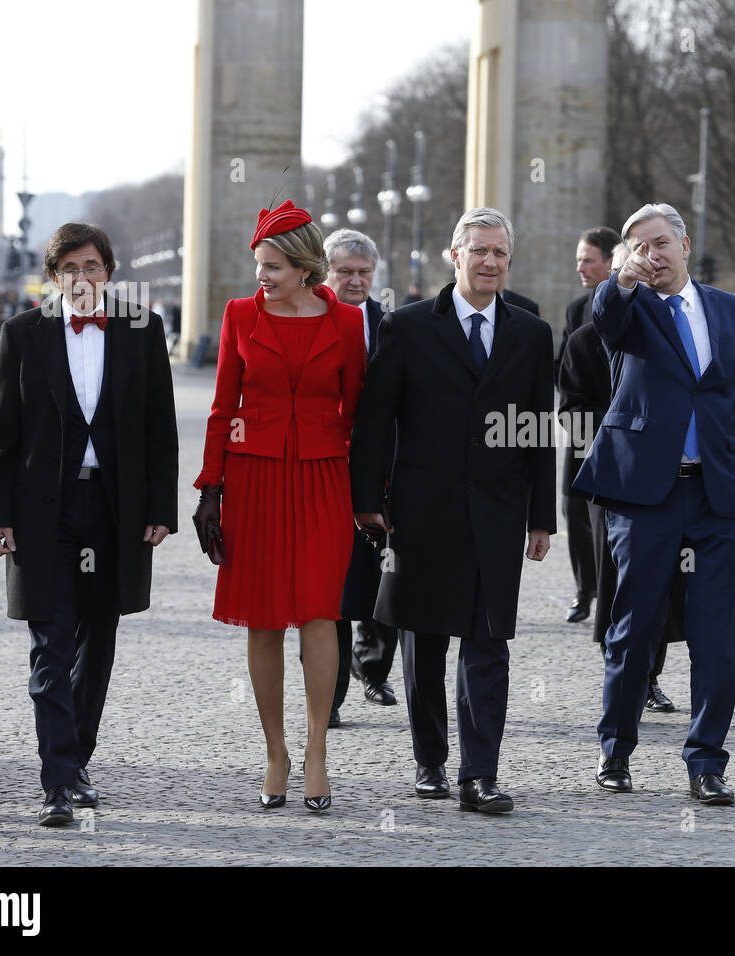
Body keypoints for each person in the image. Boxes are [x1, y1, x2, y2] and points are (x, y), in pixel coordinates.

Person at [573, 202, 735, 805]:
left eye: (661, 242)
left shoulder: (727, 309)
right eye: (639, 245)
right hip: (645, 493)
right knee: (634, 626)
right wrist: (621, 279)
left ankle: (706, 760)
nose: (652, 254)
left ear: (685, 244)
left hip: (718, 491)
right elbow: (606, 320)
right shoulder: (629, 305)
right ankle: (616, 749)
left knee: (717, 633)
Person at [350, 207, 555, 814]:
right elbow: (375, 420)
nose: (490, 262)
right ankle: (431, 763)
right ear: (455, 256)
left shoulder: (531, 332)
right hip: (423, 510)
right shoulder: (408, 326)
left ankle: (480, 774)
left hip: (497, 511)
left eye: (500, 253)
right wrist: (368, 503)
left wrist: (541, 516)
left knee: (489, 643)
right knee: (426, 641)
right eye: (479, 251)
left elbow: (539, 429)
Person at [0, 222, 179, 826]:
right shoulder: (22, 334)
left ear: (109, 273)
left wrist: (159, 511)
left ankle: (79, 761)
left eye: (92, 266)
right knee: (50, 645)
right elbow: (2, 434)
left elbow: (159, 428)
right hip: (45, 512)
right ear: (54, 277)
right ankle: (58, 782)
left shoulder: (142, 331)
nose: (82, 278)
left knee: (97, 646)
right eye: (69, 268)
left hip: (114, 511)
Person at [193, 201, 365, 814]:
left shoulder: (346, 323)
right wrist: (210, 491)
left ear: (302, 265)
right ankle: (276, 752)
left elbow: (358, 412)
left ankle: (317, 749)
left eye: (270, 265)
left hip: (323, 478)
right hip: (255, 480)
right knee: (263, 617)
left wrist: (368, 497)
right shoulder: (241, 315)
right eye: (258, 265)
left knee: (320, 612)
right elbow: (221, 407)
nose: (260, 276)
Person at [559, 242, 680, 714]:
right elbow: (571, 409)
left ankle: (651, 675)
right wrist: (622, 438)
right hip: (611, 475)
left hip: (667, 477)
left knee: (665, 580)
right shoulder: (583, 340)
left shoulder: (673, 332)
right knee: (615, 580)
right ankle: (620, 667)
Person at [321, 228, 400, 719]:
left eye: (363, 273)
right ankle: (326, 696)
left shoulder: (392, 325)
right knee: (327, 587)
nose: (354, 281)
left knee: (382, 576)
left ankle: (374, 671)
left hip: (383, 470)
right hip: (325, 466)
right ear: (326, 273)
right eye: (345, 271)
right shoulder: (311, 320)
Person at [557, 227, 620, 625]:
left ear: (610, 263)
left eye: (588, 259)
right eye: (578, 259)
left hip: (622, 433)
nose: (580, 266)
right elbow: (564, 369)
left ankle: (608, 594)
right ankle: (585, 590)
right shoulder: (577, 310)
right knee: (574, 509)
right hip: (584, 430)